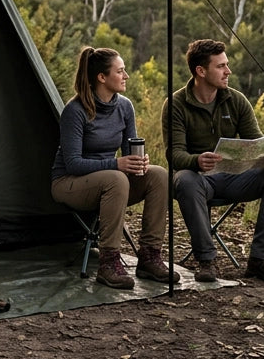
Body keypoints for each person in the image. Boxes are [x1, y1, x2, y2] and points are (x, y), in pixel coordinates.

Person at [162, 38, 264, 285]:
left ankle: (261, 260)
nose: (228, 71)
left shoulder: (236, 100)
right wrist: (197, 160)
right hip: (198, 180)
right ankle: (206, 260)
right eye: (221, 66)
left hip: (234, 179)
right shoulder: (176, 104)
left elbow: (257, 142)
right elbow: (175, 154)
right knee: (185, 179)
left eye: (227, 64)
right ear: (201, 71)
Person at [51, 46, 179, 289]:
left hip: (109, 182)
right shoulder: (75, 111)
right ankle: (108, 263)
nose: (126, 76)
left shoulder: (124, 106)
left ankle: (150, 256)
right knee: (116, 178)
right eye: (120, 71)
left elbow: (129, 149)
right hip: (69, 183)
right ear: (102, 77)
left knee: (159, 175)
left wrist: (138, 162)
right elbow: (73, 163)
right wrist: (117, 164)